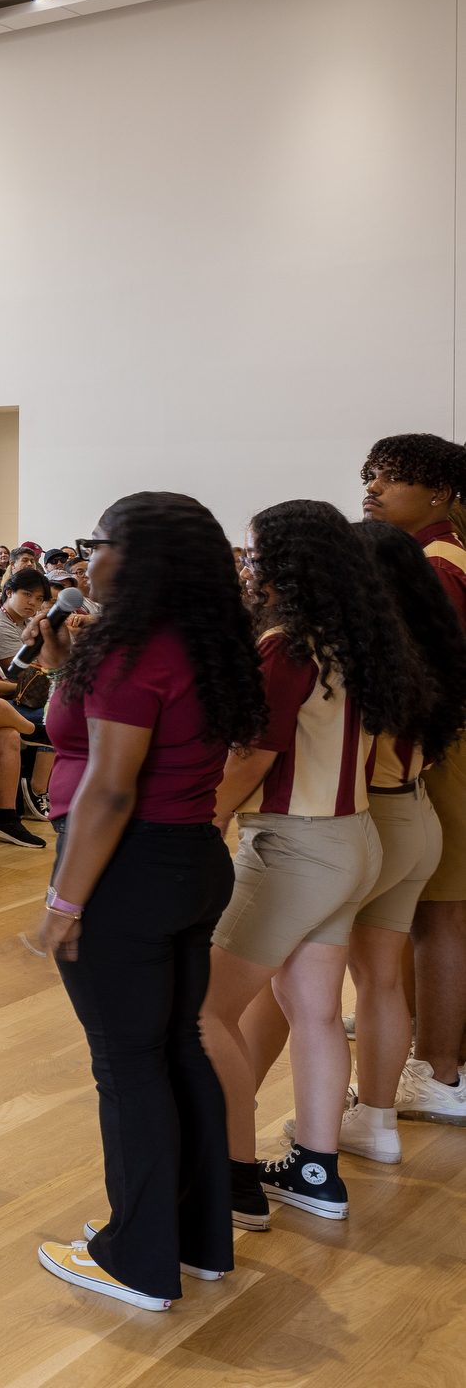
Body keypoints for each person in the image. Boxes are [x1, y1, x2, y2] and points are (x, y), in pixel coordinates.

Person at [29, 491, 266, 1312]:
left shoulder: (135, 651)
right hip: (194, 859)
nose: (85, 558)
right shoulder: (208, 640)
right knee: (175, 1050)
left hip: (127, 870)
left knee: (128, 1064)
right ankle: (196, 1243)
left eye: (97, 542)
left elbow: (109, 791)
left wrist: (65, 900)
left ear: (139, 559)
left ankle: (134, 1258)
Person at [197, 500, 414, 1227]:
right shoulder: (357, 640)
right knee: (315, 1011)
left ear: (288, 562)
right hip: (354, 840)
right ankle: (317, 1170)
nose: (250, 566)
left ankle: (227, 1177)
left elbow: (255, 753)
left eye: (257, 553)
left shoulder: (285, 646)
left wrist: (210, 815)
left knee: (205, 1009)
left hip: (295, 846)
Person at [360, 432, 466, 1127]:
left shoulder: (437, 563)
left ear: (439, 494)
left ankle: (438, 1070)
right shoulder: (442, 553)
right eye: (369, 476)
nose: (372, 488)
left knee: (438, 914)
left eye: (391, 478)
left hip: (446, 752)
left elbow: (432, 677)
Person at [0, 567, 54, 667]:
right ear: (9, 592)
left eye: (39, 598)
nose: (33, 602)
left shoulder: (28, 621)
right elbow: (24, 672)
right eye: (27, 594)